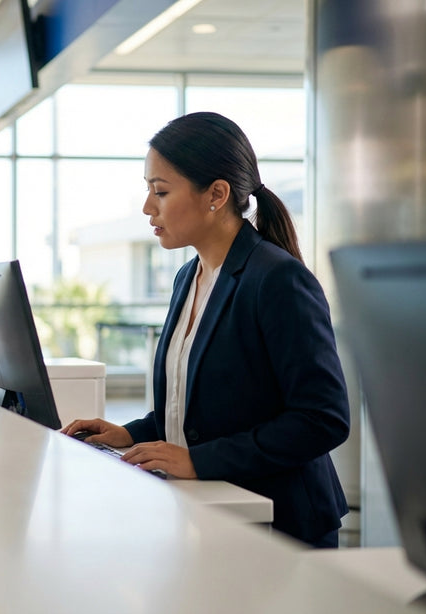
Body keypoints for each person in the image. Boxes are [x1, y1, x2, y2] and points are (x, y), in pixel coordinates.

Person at [62, 111, 350, 548]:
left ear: (216, 194)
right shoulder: (189, 276)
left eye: (160, 191)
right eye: (147, 191)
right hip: (213, 514)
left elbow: (322, 419)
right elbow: (199, 408)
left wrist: (199, 461)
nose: (147, 207)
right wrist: (132, 434)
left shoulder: (276, 279)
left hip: (281, 527)